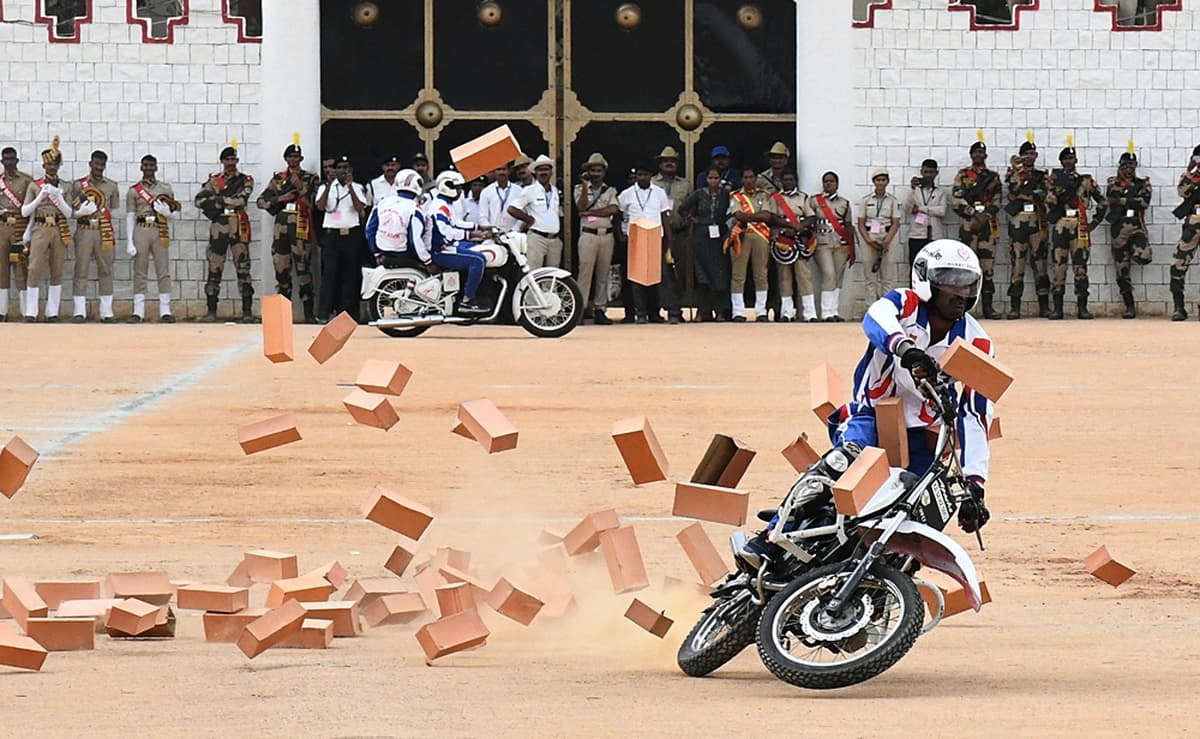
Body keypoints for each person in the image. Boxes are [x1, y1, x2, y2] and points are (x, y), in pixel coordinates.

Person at [737, 239, 994, 569]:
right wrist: (903, 348)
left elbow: (975, 415)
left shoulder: (978, 342)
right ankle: (770, 539)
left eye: (967, 284)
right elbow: (876, 318)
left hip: (924, 437)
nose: (960, 294)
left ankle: (884, 587)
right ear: (925, 280)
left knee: (924, 510)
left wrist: (975, 484)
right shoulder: (903, 305)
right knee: (844, 463)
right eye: (949, 282)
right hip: (872, 415)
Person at [21, 139, 97, 322]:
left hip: (59, 227)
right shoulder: (34, 185)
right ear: (43, 165)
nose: (51, 167)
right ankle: (31, 311)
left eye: (54, 164)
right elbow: (25, 211)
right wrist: (41, 196)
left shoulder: (66, 186)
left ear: (59, 165)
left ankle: (52, 312)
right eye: (48, 164)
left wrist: (58, 196)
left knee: (57, 269)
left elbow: (69, 212)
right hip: (40, 227)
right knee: (34, 268)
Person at [256, 143, 320, 323]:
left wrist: (301, 188)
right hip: (281, 230)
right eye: (290, 156)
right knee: (281, 271)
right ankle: (283, 316)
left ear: (301, 159)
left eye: (296, 157)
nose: (293, 159)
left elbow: (314, 204)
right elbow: (261, 201)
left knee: (304, 271)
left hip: (300, 227)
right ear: (286, 159)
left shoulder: (310, 178)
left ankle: (308, 314)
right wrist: (280, 198)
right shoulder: (278, 179)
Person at [195, 145, 256, 323]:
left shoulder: (245, 179)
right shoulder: (214, 181)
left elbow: (241, 199)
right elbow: (199, 201)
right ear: (222, 161)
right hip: (219, 225)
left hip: (238, 224)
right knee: (215, 267)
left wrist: (218, 199)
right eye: (227, 159)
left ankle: (247, 311)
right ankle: (212, 310)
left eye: (233, 160)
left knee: (243, 268)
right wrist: (223, 202)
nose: (230, 163)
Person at [1045, 144, 1107, 320]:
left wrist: (1094, 222)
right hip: (1061, 224)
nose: (1068, 161)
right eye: (1065, 159)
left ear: (1076, 160)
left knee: (1081, 267)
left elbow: (1102, 202)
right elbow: (1048, 202)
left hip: (1079, 224)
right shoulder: (1055, 181)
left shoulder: (1086, 181)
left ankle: (1082, 307)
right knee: (1059, 266)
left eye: (1071, 158)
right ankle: (1057, 308)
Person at [618, 163, 679, 324]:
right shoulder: (627, 194)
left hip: (655, 238)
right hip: (636, 239)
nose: (642, 178)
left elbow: (664, 217)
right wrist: (620, 234)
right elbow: (618, 214)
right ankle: (641, 313)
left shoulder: (659, 193)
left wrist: (669, 240)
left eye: (645, 175)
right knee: (637, 279)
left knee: (661, 277)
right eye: (639, 175)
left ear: (651, 176)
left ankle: (668, 312)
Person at [424, 170, 491, 315]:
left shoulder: (445, 204)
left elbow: (455, 222)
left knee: (477, 250)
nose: (460, 191)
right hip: (440, 249)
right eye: (458, 188)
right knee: (478, 260)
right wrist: (472, 234)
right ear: (447, 186)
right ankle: (467, 300)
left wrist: (480, 227)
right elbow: (446, 231)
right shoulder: (439, 207)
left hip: (447, 246)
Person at [125, 155, 181, 322]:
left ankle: (165, 310)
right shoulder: (134, 191)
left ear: (156, 167)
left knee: (163, 270)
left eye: (151, 165)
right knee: (140, 270)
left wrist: (167, 213)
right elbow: (130, 215)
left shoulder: (165, 188)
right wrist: (129, 240)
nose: (148, 168)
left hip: (159, 228)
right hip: (141, 229)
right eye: (146, 165)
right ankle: (138, 311)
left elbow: (175, 213)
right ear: (141, 168)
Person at [66, 150, 120, 323]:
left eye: (102, 165)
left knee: (105, 270)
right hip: (84, 230)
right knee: (81, 269)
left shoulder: (112, 186)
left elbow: (112, 210)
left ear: (105, 165)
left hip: (103, 229)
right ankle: (79, 311)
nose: (98, 167)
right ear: (90, 164)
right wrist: (81, 212)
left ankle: (106, 312)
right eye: (96, 164)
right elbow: (70, 211)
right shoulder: (78, 185)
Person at [951, 139, 1002, 319]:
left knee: (987, 268)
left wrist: (985, 216)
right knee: (966, 268)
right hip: (969, 225)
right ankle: (963, 309)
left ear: (985, 155)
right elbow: (956, 199)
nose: (978, 155)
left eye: (981, 153)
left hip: (988, 225)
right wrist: (973, 213)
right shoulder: (963, 175)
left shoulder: (993, 176)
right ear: (971, 155)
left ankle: (988, 307)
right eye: (975, 153)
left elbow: (997, 200)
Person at [314, 154, 368, 322]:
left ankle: (347, 313)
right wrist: (330, 185)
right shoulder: (326, 187)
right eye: (339, 168)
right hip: (332, 236)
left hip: (350, 235)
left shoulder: (358, 187)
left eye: (345, 168)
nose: (342, 171)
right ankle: (324, 313)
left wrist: (350, 187)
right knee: (329, 275)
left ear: (350, 170)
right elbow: (320, 206)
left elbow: (359, 207)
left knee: (349, 275)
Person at [678, 167, 732, 321]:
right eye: (710, 178)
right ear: (706, 179)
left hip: (719, 237)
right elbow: (682, 208)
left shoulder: (725, 195)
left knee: (719, 275)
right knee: (703, 276)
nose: (713, 181)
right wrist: (691, 219)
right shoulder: (699, 194)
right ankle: (702, 311)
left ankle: (720, 312)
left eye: (716, 178)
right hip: (701, 236)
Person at [1003, 140, 1050, 319]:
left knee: (1040, 264)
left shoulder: (1041, 175)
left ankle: (1044, 305)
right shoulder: (1014, 174)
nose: (1030, 157)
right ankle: (1015, 306)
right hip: (1018, 224)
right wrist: (1016, 170)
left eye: (1032, 153)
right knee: (1018, 264)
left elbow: (1043, 194)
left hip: (1036, 222)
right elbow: (1012, 190)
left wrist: (1023, 194)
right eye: (1026, 154)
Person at [1105, 149, 1152, 319]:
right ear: (1120, 167)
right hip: (1118, 230)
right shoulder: (1113, 183)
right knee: (1121, 270)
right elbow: (1111, 198)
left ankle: (1135, 252)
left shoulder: (1143, 183)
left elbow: (1144, 202)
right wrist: (1130, 199)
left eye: (1132, 165)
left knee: (1144, 255)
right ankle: (1129, 305)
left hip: (1136, 227)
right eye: (1125, 166)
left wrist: (1124, 200)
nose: (1129, 169)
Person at [765, 169, 817, 322]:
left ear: (795, 181)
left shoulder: (804, 197)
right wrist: (789, 227)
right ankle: (786, 313)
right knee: (784, 276)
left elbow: (811, 217)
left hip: (800, 238)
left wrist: (799, 227)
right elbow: (772, 217)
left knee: (804, 276)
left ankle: (809, 313)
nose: (787, 182)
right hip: (783, 238)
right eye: (785, 180)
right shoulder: (775, 198)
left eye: (790, 179)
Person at [574, 152, 619, 325]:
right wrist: (585, 186)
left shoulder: (611, 190)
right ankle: (581, 308)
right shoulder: (579, 189)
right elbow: (581, 206)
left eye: (599, 170)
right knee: (585, 273)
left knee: (603, 274)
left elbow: (613, 209)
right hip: (588, 234)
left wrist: (590, 213)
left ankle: (600, 309)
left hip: (605, 234)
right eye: (593, 170)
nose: (596, 174)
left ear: (604, 172)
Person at [728, 167, 773, 321]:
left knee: (761, 275)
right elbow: (738, 215)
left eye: (751, 177)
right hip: (742, 236)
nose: (748, 180)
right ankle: (738, 311)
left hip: (761, 236)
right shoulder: (736, 196)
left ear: (755, 179)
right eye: (745, 177)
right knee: (738, 275)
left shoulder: (764, 195)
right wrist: (756, 216)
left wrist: (748, 217)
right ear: (742, 179)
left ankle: (761, 311)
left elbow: (767, 216)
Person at [809, 171, 855, 322]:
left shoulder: (844, 202)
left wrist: (851, 247)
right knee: (829, 274)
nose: (828, 184)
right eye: (826, 181)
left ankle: (834, 311)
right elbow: (809, 220)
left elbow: (848, 225)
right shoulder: (814, 201)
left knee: (838, 276)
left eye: (831, 181)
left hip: (840, 242)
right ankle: (826, 312)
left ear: (837, 184)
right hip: (822, 242)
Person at [652, 146, 694, 314]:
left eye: (672, 161)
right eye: (665, 161)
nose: (669, 164)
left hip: (679, 234)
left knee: (679, 272)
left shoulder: (685, 184)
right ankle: (655, 310)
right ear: (660, 164)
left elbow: (691, 206)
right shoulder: (653, 183)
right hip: (657, 234)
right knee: (658, 272)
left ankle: (676, 309)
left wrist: (687, 221)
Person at [507, 155, 562, 269]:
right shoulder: (529, 190)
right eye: (540, 170)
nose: (543, 172)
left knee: (552, 276)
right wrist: (528, 219)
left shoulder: (555, 191)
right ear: (535, 172)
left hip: (554, 240)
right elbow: (512, 209)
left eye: (546, 169)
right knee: (534, 274)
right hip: (537, 238)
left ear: (551, 172)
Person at [856, 168, 901, 303]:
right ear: (873, 182)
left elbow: (896, 222)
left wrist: (887, 241)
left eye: (883, 180)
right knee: (870, 275)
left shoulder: (893, 200)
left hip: (888, 235)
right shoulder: (865, 200)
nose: (880, 183)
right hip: (869, 236)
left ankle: (887, 306)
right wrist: (868, 240)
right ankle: (871, 306)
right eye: (878, 180)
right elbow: (860, 223)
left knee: (887, 275)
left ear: (887, 182)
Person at [0, 147, 34, 321]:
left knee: (21, 269)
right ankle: (2, 311)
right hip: (2, 229)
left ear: (17, 161)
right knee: (1, 271)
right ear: (2, 161)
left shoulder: (27, 181)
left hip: (20, 228)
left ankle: (24, 311)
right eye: (6, 159)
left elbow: (32, 206)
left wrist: (28, 232)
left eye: (12, 159)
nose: (9, 162)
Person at [365, 168, 425, 262]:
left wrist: (376, 253)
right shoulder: (415, 209)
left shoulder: (382, 203)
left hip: (383, 253)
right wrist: (427, 261)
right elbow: (415, 240)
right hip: (405, 254)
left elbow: (369, 231)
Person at [1169, 145, 1200, 321]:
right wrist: (1189, 171)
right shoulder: (1191, 178)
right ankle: (1179, 307)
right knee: (1177, 266)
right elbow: (1182, 192)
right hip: (1191, 229)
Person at [906, 158, 946, 270]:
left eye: (931, 172)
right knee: (915, 269)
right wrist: (913, 189)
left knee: (934, 269)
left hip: (935, 235)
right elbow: (908, 209)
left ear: (936, 173)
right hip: (917, 235)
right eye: (926, 172)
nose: (928, 175)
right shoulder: (915, 190)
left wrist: (921, 209)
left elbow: (942, 211)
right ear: (921, 172)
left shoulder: (940, 192)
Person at [478, 163, 519, 232]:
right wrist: (492, 231)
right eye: (498, 169)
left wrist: (514, 230)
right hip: (492, 234)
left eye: (504, 169)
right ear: (494, 172)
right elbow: (482, 216)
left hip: (514, 234)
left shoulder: (518, 190)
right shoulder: (486, 191)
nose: (501, 172)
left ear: (509, 171)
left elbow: (522, 215)